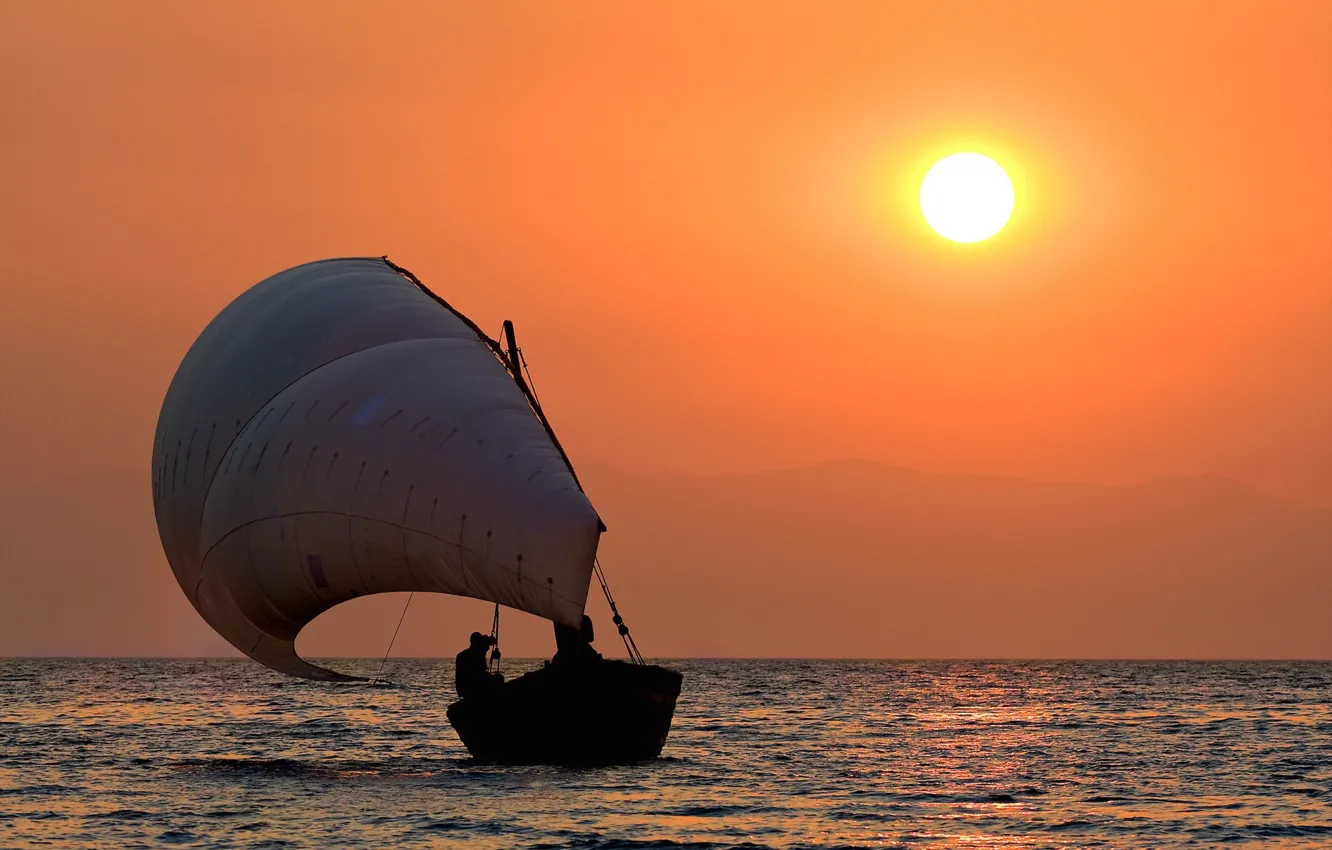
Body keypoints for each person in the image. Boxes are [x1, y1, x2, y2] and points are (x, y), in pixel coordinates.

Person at [455, 631, 503, 699]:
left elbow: (489, 641)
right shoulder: (477, 652)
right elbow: (490, 641)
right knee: (499, 678)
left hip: (463, 689)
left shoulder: (462, 655)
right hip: (474, 685)